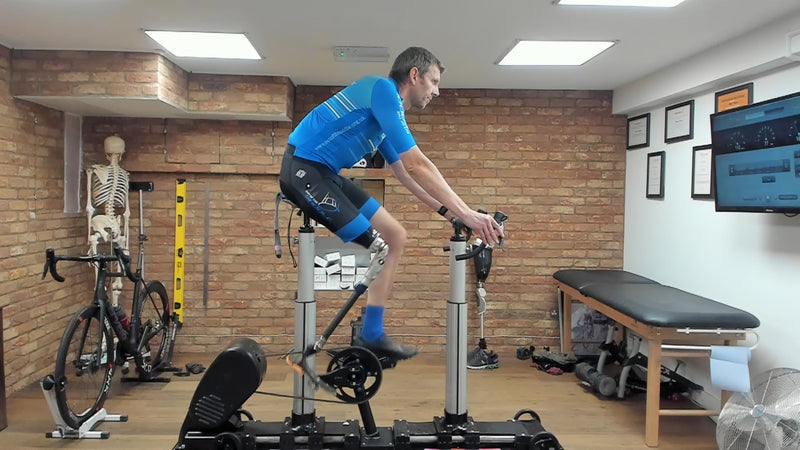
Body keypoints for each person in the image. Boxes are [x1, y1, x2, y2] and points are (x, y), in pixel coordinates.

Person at [279, 46, 504, 361]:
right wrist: (467, 213)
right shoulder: (383, 90)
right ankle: (360, 336)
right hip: (303, 170)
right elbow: (418, 165)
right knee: (380, 246)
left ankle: (372, 333)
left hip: (326, 174)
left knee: (396, 236)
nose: (437, 91)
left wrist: (450, 213)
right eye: (434, 81)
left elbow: (405, 175)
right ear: (414, 75)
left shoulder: (384, 117)